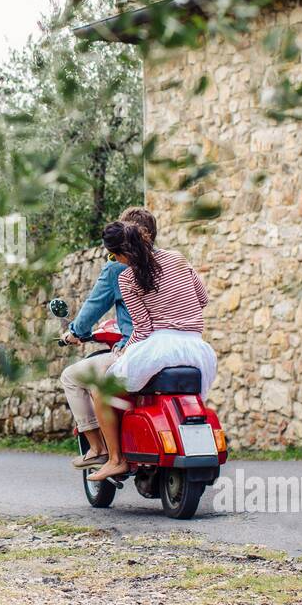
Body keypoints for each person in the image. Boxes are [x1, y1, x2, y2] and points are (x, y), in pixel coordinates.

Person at [87, 221, 217, 483]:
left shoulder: (127, 278)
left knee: (101, 390)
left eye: (113, 256)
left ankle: (116, 460)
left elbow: (143, 329)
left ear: (120, 254)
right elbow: (202, 299)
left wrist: (124, 350)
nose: (115, 261)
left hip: (158, 349)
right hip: (197, 349)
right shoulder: (178, 258)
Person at [59, 207, 158, 469]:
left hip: (133, 347)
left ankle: (98, 449)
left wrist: (75, 332)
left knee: (70, 377)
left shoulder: (117, 270)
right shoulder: (167, 261)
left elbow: (93, 307)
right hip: (171, 347)